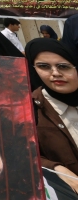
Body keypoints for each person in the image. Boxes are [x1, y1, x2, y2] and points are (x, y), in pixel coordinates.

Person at [27, 38, 78, 193]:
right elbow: (23, 155)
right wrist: (57, 169)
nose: (55, 73)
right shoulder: (30, 109)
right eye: (44, 66)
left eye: (63, 66)